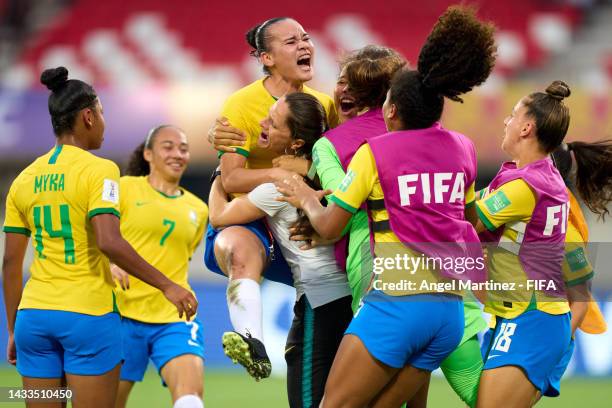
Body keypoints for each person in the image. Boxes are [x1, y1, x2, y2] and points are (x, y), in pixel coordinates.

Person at [275, 6, 496, 406]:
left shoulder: (375, 152)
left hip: (396, 303)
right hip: (449, 310)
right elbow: (470, 220)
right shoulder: (464, 147)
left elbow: (329, 226)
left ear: (392, 109)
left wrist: (305, 196)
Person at [1, 67, 196, 408]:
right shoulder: (100, 170)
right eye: (102, 113)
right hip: (86, 316)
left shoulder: (24, 179)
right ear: (88, 117)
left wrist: (15, 328)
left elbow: (10, 262)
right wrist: (168, 285)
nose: (104, 122)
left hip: (34, 318)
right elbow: (109, 241)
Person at [203, 17, 337, 380]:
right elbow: (231, 178)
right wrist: (281, 176)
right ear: (266, 58)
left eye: (307, 38)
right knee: (238, 248)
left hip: (299, 224)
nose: (305, 45)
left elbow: (335, 165)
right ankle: (252, 341)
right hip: (249, 214)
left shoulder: (325, 105)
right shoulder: (242, 103)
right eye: (292, 42)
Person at [208, 92, 352, 408]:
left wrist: (221, 175)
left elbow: (219, 217)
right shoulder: (333, 171)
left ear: (296, 142)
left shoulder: (277, 188)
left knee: (308, 401)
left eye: (272, 122)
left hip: (321, 303)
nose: (262, 122)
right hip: (356, 298)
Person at [473, 81, 577, 407]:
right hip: (527, 315)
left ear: (527, 128)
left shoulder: (525, 186)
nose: (506, 121)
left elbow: (467, 222)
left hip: (531, 317)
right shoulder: (541, 176)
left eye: (513, 115)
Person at [109, 125, 208, 408]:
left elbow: (183, 258)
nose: (177, 154)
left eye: (184, 148)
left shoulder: (198, 210)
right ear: (148, 154)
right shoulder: (124, 188)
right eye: (168, 146)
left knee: (190, 398)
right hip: (119, 314)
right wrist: (108, 263)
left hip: (174, 318)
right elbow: (92, 236)